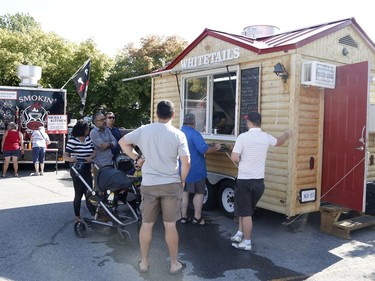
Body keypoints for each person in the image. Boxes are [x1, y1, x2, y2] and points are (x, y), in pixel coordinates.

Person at [119, 100, 190, 275]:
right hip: (171, 183)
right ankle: (174, 264)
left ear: (156, 114)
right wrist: (182, 180)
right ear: (173, 115)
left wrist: (137, 158)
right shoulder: (178, 134)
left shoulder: (144, 130)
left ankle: (144, 262)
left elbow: (122, 142)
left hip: (149, 184)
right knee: (170, 225)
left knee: (147, 224)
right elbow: (186, 162)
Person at [230, 112, 292, 251]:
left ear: (249, 123)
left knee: (245, 213)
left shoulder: (243, 137)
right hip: (259, 182)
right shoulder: (265, 137)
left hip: (245, 181)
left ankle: (246, 242)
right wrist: (287, 134)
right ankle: (240, 233)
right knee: (245, 209)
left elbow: (234, 157)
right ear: (259, 123)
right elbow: (279, 141)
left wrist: (241, 160)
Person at [180, 114, 221, 225]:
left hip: (182, 170)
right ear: (194, 123)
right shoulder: (195, 134)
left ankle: (183, 217)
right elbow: (204, 149)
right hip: (196, 171)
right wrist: (216, 147)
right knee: (199, 193)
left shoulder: (178, 133)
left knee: (184, 193)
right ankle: (197, 218)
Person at [63, 120, 96, 222]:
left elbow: (94, 152)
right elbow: (65, 155)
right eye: (87, 128)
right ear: (82, 130)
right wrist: (71, 159)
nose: (88, 130)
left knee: (90, 192)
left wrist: (90, 157)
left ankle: (94, 215)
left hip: (87, 167)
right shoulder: (73, 141)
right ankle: (77, 216)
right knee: (79, 193)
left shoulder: (88, 139)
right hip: (77, 169)